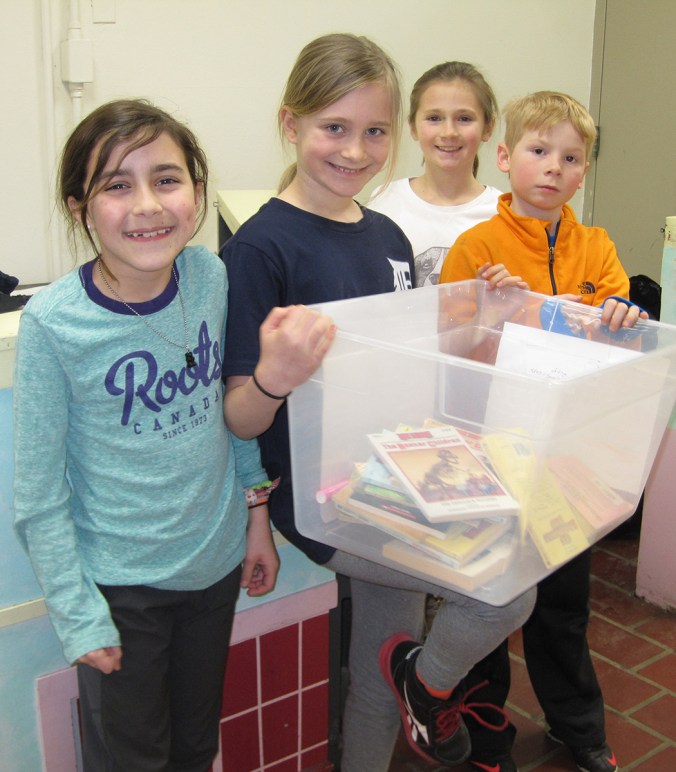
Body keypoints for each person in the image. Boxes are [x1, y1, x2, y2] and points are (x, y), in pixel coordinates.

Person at [221, 33, 536, 772]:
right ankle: (427, 687)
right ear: (290, 123)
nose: (355, 150)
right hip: (326, 502)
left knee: (375, 672)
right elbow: (238, 416)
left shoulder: (388, 234)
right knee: (503, 591)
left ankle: (406, 688)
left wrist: (480, 323)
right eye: (334, 127)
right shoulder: (261, 248)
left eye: (374, 131)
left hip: (393, 477)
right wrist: (274, 378)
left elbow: (410, 367)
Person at [13, 99, 334, 771]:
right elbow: (38, 496)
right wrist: (77, 613)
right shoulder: (54, 323)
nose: (147, 205)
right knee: (133, 759)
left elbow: (229, 414)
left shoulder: (209, 276)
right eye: (116, 185)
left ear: (196, 189)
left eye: (166, 179)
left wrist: (255, 520)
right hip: (120, 591)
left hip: (212, 568)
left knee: (194, 747)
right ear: (80, 208)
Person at [441, 91, 647, 772]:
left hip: (567, 459)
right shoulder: (478, 247)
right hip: (491, 451)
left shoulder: (597, 246)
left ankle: (579, 727)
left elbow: (621, 338)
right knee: (490, 598)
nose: (554, 167)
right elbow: (449, 350)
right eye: (538, 151)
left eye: (571, 158)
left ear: (584, 172)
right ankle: (484, 736)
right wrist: (489, 312)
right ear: (505, 157)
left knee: (563, 604)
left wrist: (622, 318)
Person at [369, 61, 502, 287]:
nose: (449, 132)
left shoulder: (501, 213)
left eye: (464, 118)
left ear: (488, 128)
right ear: (413, 127)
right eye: (434, 118)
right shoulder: (384, 201)